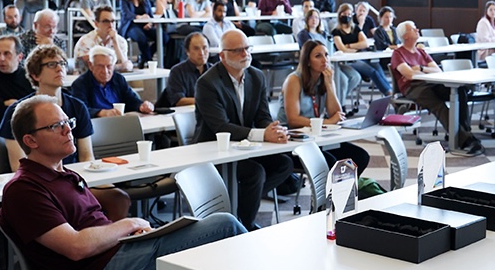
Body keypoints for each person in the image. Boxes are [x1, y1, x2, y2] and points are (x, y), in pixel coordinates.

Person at [0, 96, 245, 270]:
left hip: (121, 261)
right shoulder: (24, 189)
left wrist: (131, 234)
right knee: (223, 227)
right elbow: (76, 247)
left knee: (213, 248)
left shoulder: (67, 174)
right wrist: (130, 224)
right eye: (56, 126)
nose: (68, 130)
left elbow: (96, 228)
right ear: (30, 140)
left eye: (68, 122)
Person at [0, 45, 128, 221]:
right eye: (51, 65)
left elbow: (87, 156)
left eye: (62, 63)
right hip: (40, 182)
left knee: (118, 198)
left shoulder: (78, 107)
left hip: (74, 177)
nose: (60, 68)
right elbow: (17, 165)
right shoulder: (20, 112)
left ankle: (114, 243)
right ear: (35, 75)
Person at [194, 28, 296, 230]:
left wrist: (272, 130)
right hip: (215, 150)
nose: (245, 54)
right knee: (255, 173)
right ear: (222, 56)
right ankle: (246, 226)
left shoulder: (256, 76)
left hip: (245, 148)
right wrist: (261, 134)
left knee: (284, 164)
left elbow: (263, 116)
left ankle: (238, 207)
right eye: (238, 50)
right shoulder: (207, 83)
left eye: (247, 48)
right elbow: (220, 126)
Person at [277, 40, 371, 174]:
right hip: (292, 140)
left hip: (314, 137)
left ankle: (344, 194)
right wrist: (326, 122)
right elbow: (293, 120)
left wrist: (329, 85)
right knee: (330, 162)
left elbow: (337, 114)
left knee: (360, 157)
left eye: (326, 55)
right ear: (307, 61)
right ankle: (330, 195)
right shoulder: (294, 80)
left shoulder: (324, 78)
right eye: (318, 56)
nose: (324, 60)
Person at [391, 21, 482, 156]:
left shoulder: (421, 51)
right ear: (405, 36)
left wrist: (421, 68)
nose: (417, 30)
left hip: (432, 82)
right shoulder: (398, 54)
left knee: (460, 91)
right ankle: (465, 140)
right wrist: (423, 72)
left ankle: (464, 131)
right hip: (413, 88)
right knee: (439, 105)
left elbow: (438, 70)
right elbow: (409, 75)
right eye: (413, 29)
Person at [69, 45, 153, 118]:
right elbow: (79, 110)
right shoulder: (80, 84)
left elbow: (131, 100)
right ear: (91, 66)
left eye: (109, 66)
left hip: (120, 122)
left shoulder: (118, 79)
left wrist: (141, 106)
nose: (105, 71)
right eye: (100, 66)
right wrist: (101, 112)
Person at [297, 8, 358, 107]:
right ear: (307, 19)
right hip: (319, 65)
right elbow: (308, 53)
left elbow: (331, 48)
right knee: (342, 80)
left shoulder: (324, 34)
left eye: (317, 17)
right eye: (311, 17)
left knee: (355, 76)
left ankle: (336, 100)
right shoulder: (303, 35)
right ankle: (340, 106)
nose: (314, 20)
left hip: (333, 61)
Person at [334, 2, 391, 97]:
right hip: (348, 60)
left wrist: (349, 46)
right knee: (371, 71)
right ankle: (388, 93)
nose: (347, 16)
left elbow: (364, 43)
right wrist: (356, 47)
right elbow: (342, 48)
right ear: (340, 15)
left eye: (349, 14)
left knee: (376, 65)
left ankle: (389, 89)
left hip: (360, 55)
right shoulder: (336, 31)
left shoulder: (355, 28)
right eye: (344, 14)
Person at [0, 35, 33, 131]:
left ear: (19, 57)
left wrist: (9, 104)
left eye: (7, 53)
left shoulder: (30, 77)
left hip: (29, 130)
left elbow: (35, 113)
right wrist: (23, 105)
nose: (1, 58)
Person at [73, 6, 132, 73]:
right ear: (96, 24)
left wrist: (115, 43)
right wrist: (119, 67)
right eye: (106, 21)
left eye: (113, 21)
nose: (111, 25)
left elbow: (125, 67)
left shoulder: (120, 41)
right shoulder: (85, 42)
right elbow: (91, 68)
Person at [158, 32, 209, 107]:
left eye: (204, 48)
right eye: (196, 49)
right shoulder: (177, 71)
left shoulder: (215, 71)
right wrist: (207, 101)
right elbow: (178, 100)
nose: (201, 53)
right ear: (187, 51)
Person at [118, 0, 157, 66]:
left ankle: (144, 56)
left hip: (145, 25)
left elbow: (150, 15)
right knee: (141, 38)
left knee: (164, 37)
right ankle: (150, 61)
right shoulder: (124, 0)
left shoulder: (145, 0)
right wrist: (138, 17)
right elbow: (126, 14)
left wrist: (149, 23)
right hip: (131, 26)